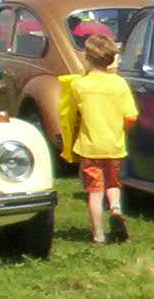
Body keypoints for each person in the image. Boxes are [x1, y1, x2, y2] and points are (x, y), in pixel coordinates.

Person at [57, 31, 138, 245]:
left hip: (89, 147)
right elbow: (131, 116)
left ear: (87, 57)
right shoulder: (119, 84)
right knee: (113, 184)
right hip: (114, 146)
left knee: (94, 191)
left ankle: (98, 234)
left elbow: (70, 115)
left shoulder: (79, 86)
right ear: (111, 59)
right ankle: (116, 208)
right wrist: (122, 131)